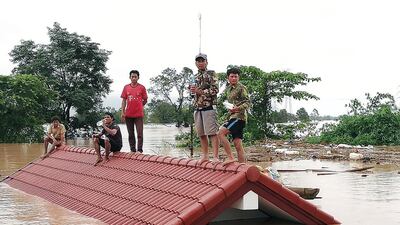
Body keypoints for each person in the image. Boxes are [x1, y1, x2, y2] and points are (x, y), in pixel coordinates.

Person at [190, 53, 220, 163]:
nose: (200, 63)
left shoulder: (212, 74)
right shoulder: (194, 76)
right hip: (197, 107)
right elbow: (193, 93)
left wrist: (200, 91)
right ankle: (205, 156)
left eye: (202, 61)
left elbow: (215, 90)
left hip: (209, 107)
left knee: (212, 133)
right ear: (196, 63)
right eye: (198, 61)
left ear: (206, 62)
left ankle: (216, 156)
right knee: (201, 133)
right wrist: (192, 91)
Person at [217, 67, 250, 165]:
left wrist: (236, 109)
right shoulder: (228, 89)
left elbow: (248, 103)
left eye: (236, 76)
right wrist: (230, 109)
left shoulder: (242, 88)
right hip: (233, 116)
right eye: (232, 76)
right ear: (228, 78)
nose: (234, 78)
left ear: (238, 77)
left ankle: (231, 157)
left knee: (220, 133)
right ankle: (242, 166)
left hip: (239, 117)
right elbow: (233, 104)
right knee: (237, 144)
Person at [121, 70, 148, 153]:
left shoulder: (142, 87)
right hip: (128, 114)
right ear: (130, 77)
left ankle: (139, 150)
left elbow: (145, 99)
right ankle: (132, 150)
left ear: (138, 77)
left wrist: (140, 105)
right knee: (131, 134)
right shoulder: (126, 87)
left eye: (135, 76)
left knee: (140, 133)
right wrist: (122, 112)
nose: (133, 78)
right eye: (132, 76)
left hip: (138, 115)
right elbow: (124, 100)